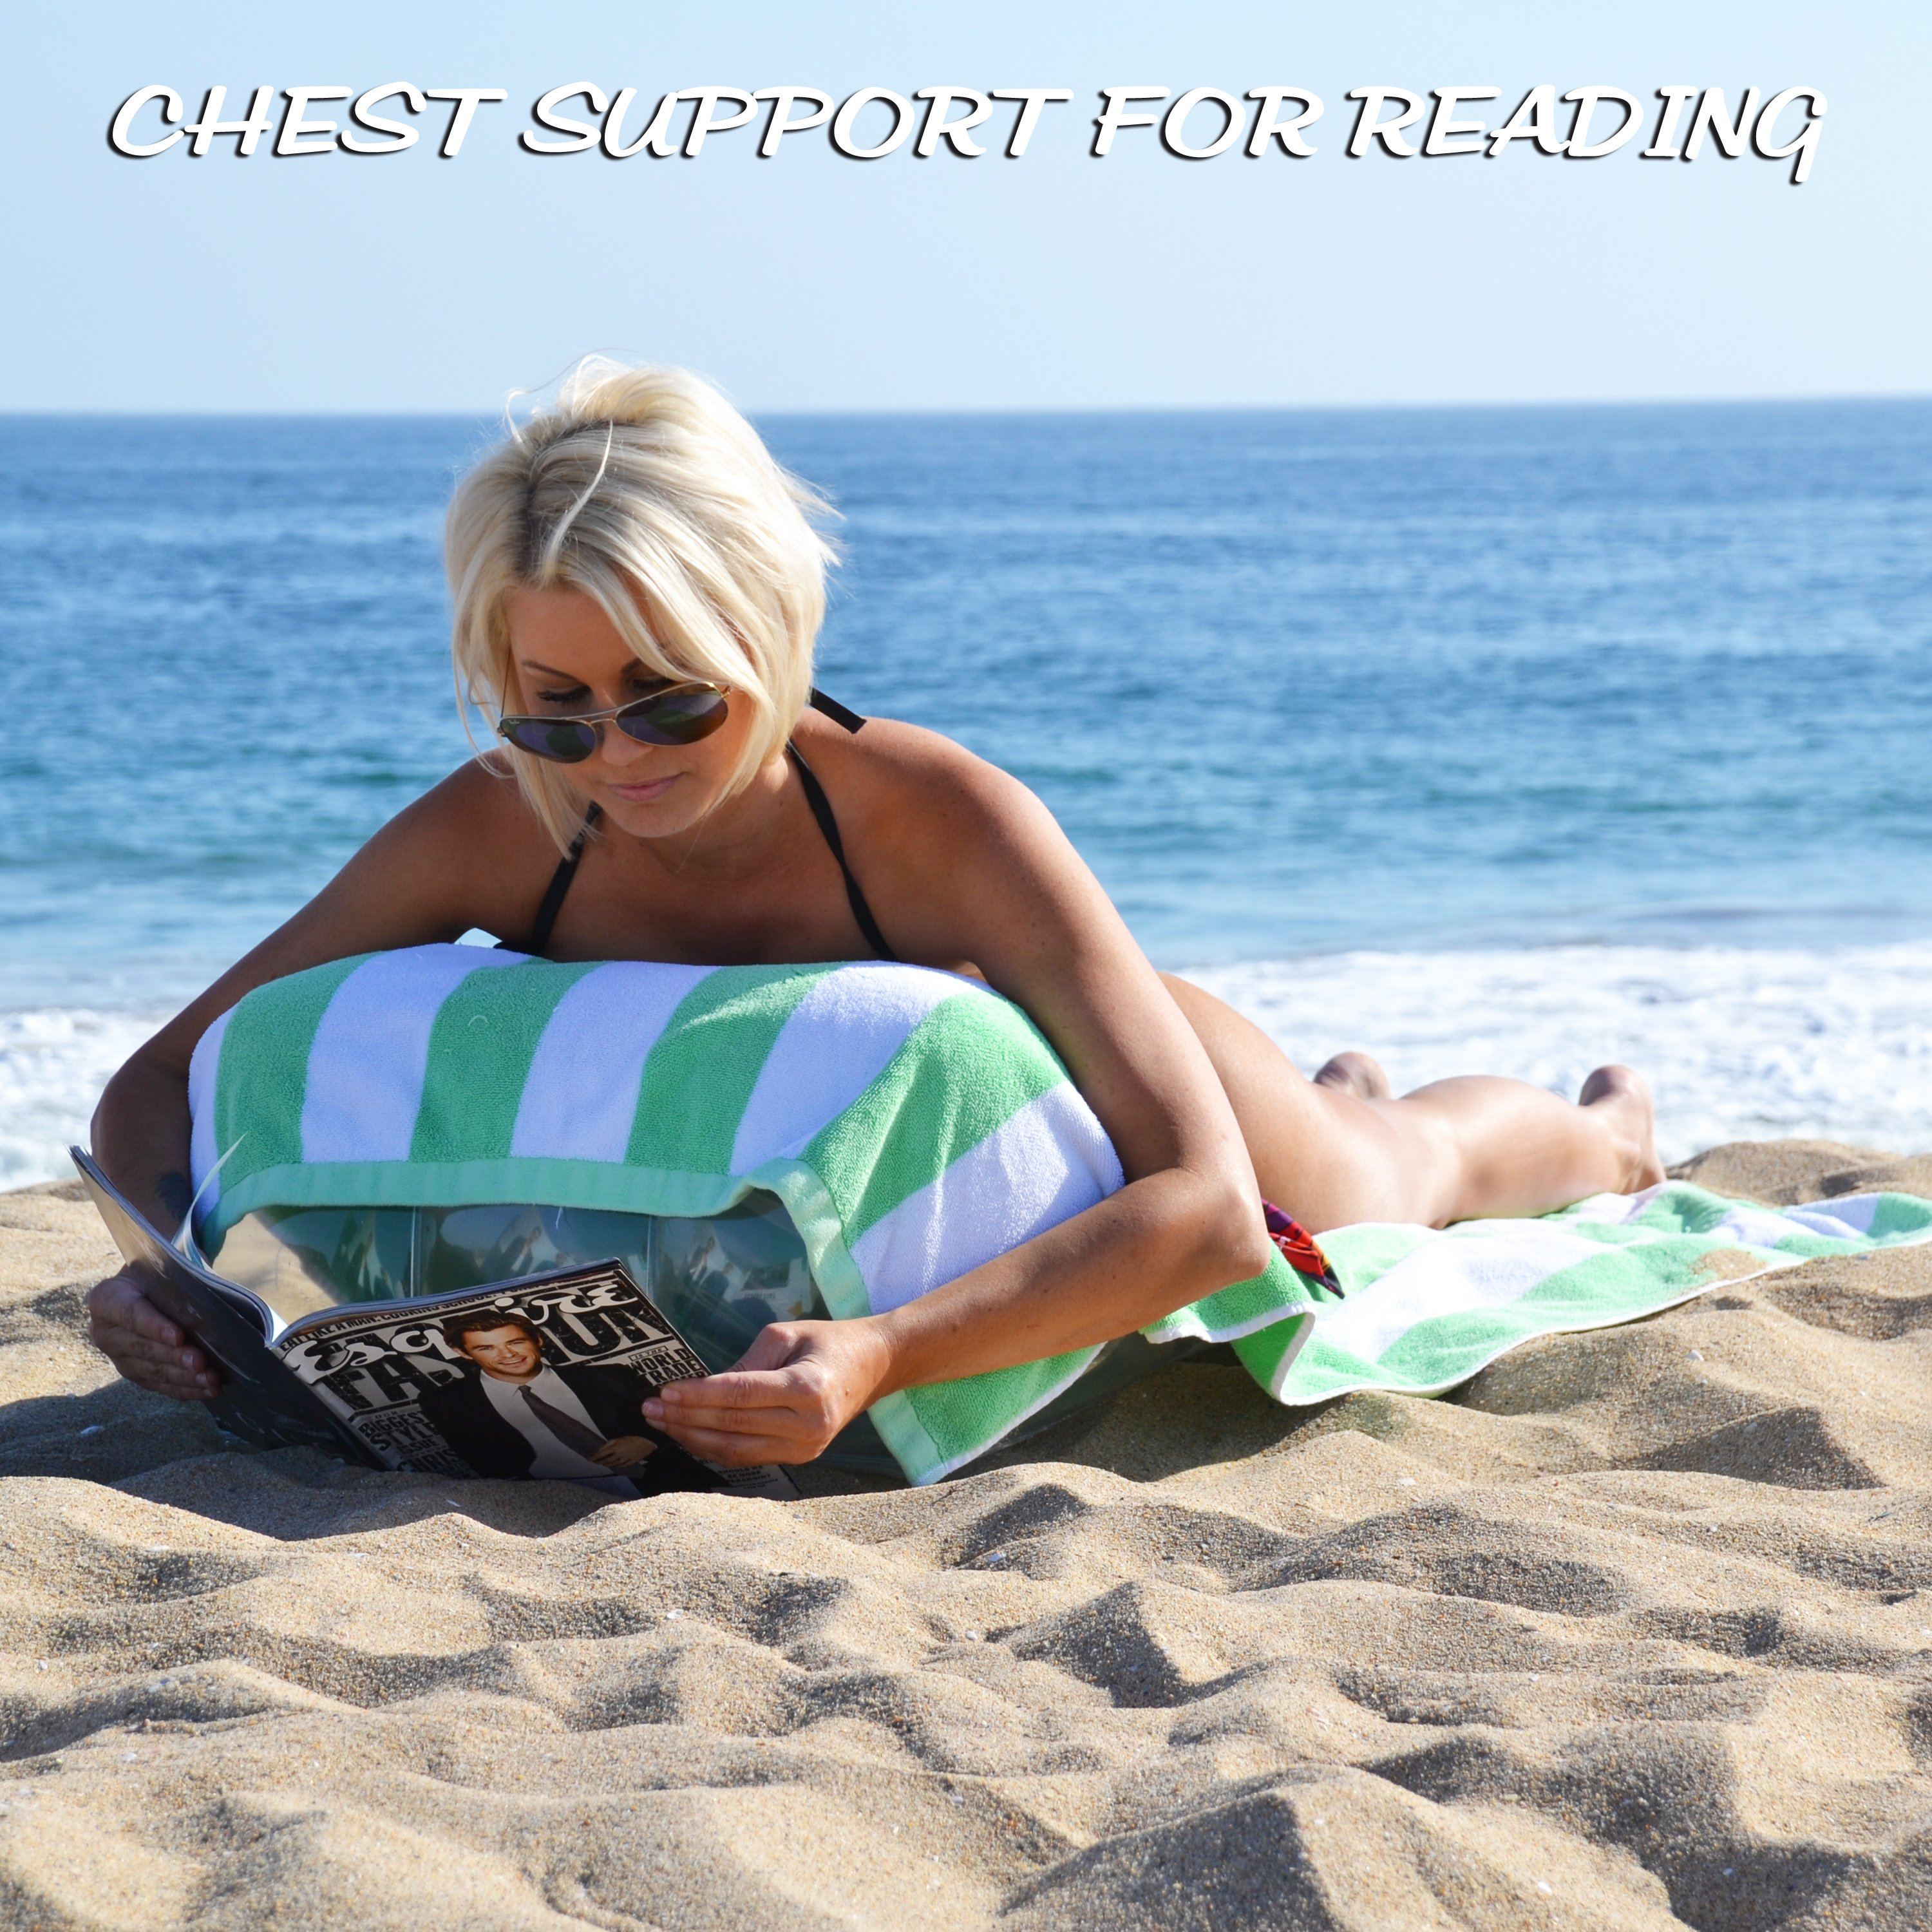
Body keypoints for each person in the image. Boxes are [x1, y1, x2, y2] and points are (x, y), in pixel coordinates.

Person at [86, 357, 1663, 1472]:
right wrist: (175, 1278)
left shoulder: (931, 815)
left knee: (1404, 1171)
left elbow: (1199, 1210)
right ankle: (1365, 1077)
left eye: (668, 700)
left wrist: (883, 1353)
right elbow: (161, 1082)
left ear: (764, 635)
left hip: (1147, 1083)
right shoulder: (512, 817)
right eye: (553, 708)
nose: (613, 758)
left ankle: (1608, 1125)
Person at [416, 1309, 720, 1496]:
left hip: (661, 1488)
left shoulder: (610, 1378)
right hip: (547, 1504)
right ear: (465, 1354)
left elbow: (679, 1416)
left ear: (538, 1341)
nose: (508, 1355)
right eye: (487, 1348)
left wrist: (647, 1441)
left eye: (516, 1342)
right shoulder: (447, 1402)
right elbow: (481, 1463)